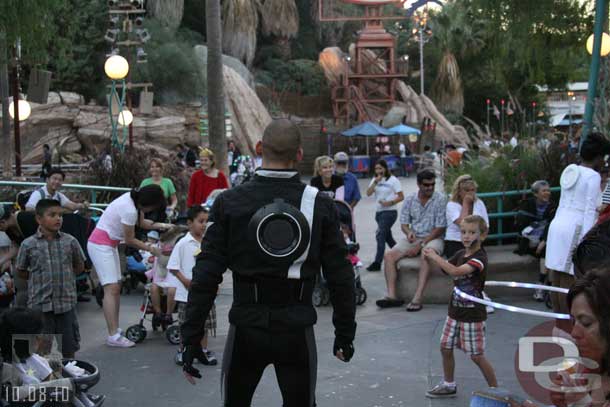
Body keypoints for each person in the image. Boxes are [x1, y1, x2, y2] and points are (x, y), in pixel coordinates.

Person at [180, 119, 356, 406]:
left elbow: (206, 274)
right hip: (297, 329)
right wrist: (345, 332)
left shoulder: (230, 201)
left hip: (246, 328)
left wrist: (191, 336)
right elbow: (340, 274)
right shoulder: (320, 204)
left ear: (259, 148)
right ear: (299, 155)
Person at [87, 184, 171, 348]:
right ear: (149, 204)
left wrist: (162, 225)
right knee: (111, 288)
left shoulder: (133, 201)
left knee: (116, 287)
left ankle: (115, 330)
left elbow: (143, 223)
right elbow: (131, 239)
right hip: (100, 245)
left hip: (109, 244)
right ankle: (113, 335)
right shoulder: (129, 209)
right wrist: (151, 249)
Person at [423, 215, 497, 398]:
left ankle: (497, 390)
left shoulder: (479, 258)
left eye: (472, 233)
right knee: (445, 347)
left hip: (473, 314)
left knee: (476, 355)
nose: (466, 236)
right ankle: (449, 384)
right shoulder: (460, 254)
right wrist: (433, 257)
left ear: (483, 235)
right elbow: (446, 269)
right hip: (454, 311)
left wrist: (434, 256)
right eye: (463, 232)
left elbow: (456, 271)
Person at [545, 132, 610, 332]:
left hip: (557, 226)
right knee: (570, 280)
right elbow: (590, 210)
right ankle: (570, 326)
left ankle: (560, 324)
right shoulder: (592, 177)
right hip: (575, 228)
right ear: (599, 157)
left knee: (556, 276)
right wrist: (588, 242)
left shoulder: (570, 170)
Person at [16, 199, 86, 359]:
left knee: (69, 347)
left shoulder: (70, 241)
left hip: (66, 303)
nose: (58, 219)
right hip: (40, 305)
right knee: (41, 350)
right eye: (52, 215)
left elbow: (79, 266)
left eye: (60, 215)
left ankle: (69, 377)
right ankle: (45, 381)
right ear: (39, 219)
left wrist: (65, 277)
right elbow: (21, 271)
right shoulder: (28, 244)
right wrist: (38, 279)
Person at [376, 169, 446, 311]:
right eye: (426, 185)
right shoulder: (410, 199)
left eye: (432, 184)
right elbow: (404, 224)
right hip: (415, 237)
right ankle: (392, 296)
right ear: (418, 184)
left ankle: (417, 297)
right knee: (389, 256)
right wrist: (409, 233)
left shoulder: (440, 199)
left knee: (426, 253)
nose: (430, 187)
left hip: (433, 237)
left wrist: (420, 244)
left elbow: (440, 228)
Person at [168, 206, 217, 367]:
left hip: (206, 293)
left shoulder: (209, 243)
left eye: (206, 221)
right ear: (190, 223)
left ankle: (203, 350)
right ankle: (184, 350)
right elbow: (173, 266)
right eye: (200, 221)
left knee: (204, 324)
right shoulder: (183, 243)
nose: (203, 225)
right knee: (186, 324)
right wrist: (185, 281)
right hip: (186, 295)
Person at [514, 180, 557, 301]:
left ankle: (542, 285)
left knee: (549, 251)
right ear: (536, 193)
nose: (547, 193)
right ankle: (547, 288)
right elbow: (522, 227)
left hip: (544, 243)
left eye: (548, 190)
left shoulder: (553, 206)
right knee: (548, 251)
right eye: (544, 191)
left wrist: (543, 241)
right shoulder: (526, 205)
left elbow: (552, 226)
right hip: (528, 242)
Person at [365, 159, 404, 271]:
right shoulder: (375, 180)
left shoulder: (393, 180)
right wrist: (376, 182)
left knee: (380, 235)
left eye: (380, 168)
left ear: (385, 169)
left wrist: (390, 202)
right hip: (379, 213)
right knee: (388, 237)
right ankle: (401, 254)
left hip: (390, 212)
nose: (378, 171)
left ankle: (377, 263)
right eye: (376, 169)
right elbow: (368, 193)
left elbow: (401, 196)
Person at [444, 175, 489, 258]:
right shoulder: (451, 205)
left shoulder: (479, 203)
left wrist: (479, 240)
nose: (470, 193)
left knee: (479, 259)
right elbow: (462, 224)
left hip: (475, 241)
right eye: (467, 190)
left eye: (473, 190)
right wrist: (466, 204)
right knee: (462, 259)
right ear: (459, 191)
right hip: (455, 241)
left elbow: (486, 226)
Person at [25, 168, 89, 212]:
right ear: (47, 180)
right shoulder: (39, 193)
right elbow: (28, 209)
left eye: (60, 180)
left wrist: (83, 205)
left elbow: (72, 206)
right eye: (54, 179)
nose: (57, 182)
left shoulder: (59, 196)